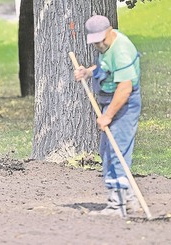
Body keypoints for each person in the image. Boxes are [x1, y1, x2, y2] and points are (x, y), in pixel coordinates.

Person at [74, 15, 141, 218]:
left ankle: (116, 206)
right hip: (111, 103)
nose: (98, 44)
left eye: (101, 39)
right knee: (107, 151)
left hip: (123, 105)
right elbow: (105, 68)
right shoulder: (107, 47)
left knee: (116, 152)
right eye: (94, 41)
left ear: (110, 31)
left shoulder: (120, 50)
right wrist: (88, 72)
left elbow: (125, 87)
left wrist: (108, 115)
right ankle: (128, 200)